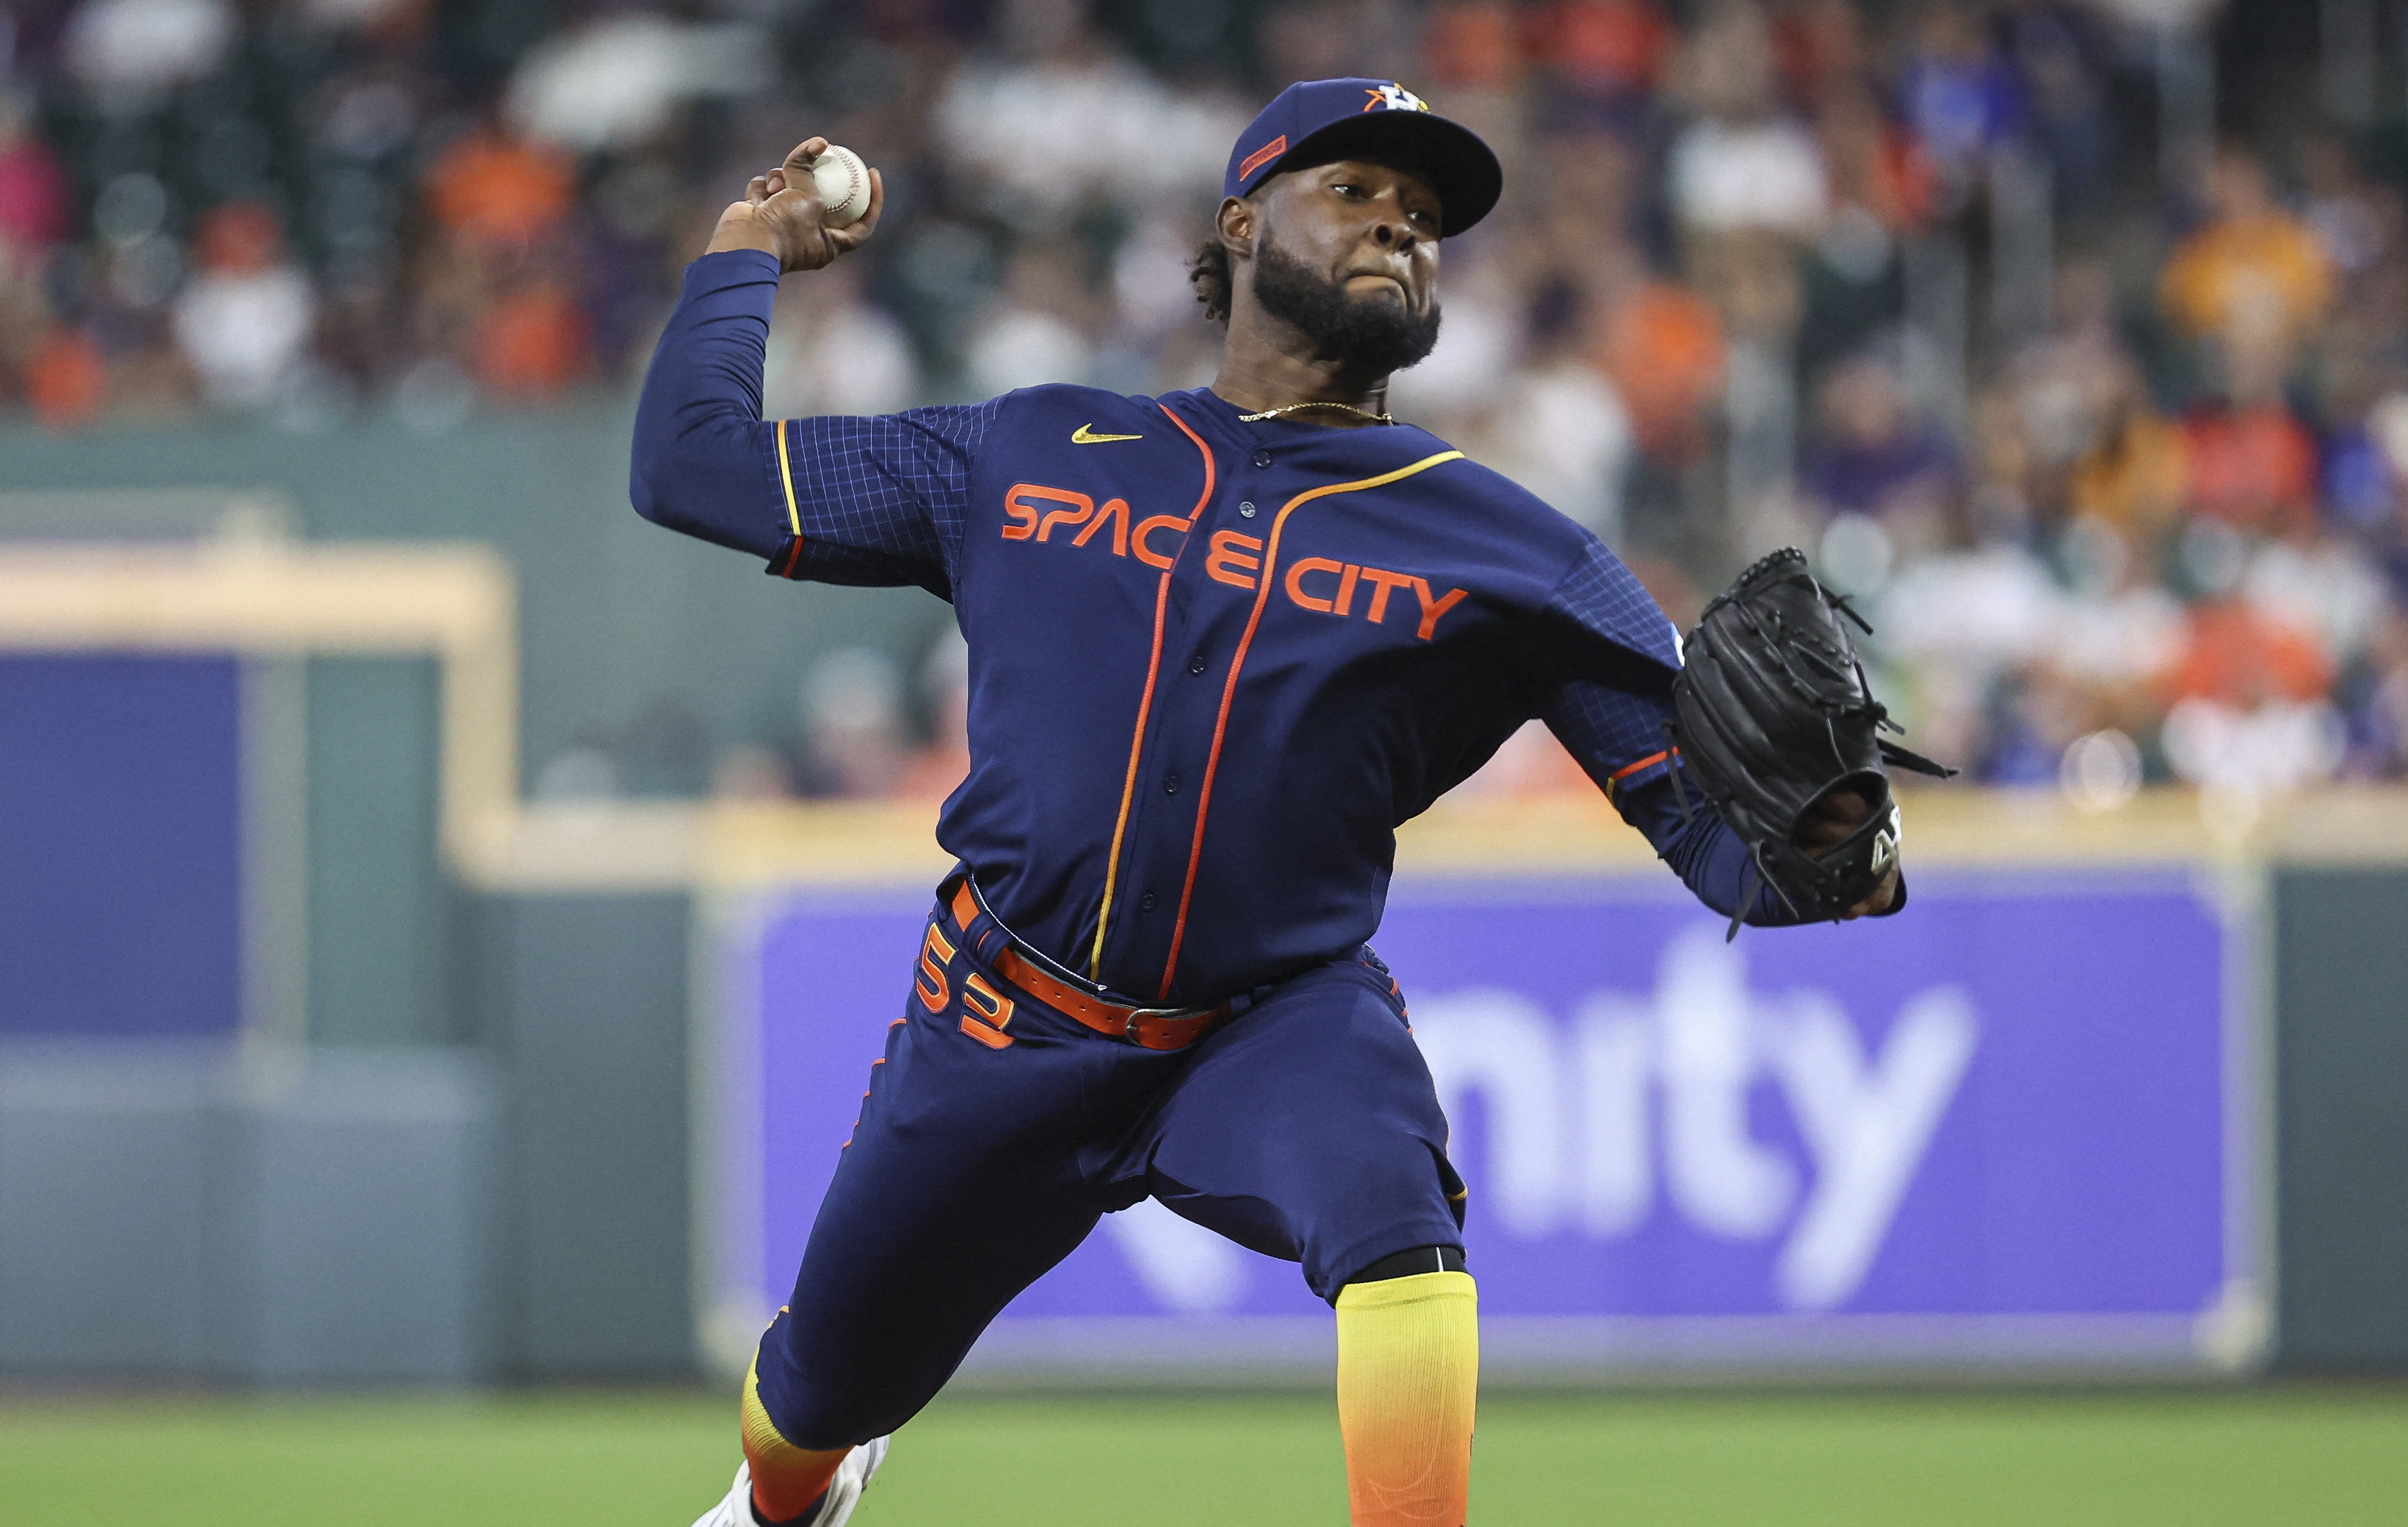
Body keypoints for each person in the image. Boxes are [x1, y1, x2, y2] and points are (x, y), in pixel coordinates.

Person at [630, 78, 1902, 1527]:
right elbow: (693, 469)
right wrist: (742, 251)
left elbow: (1714, 839)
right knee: (803, 1405)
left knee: (1397, 1223)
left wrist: (1837, 845)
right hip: (999, 1018)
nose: (1402, 229)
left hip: (1271, 1020)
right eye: (1356, 190)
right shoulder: (1032, 446)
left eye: (1423, 216)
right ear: (1242, 223)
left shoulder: (1514, 549)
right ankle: (804, 1482)